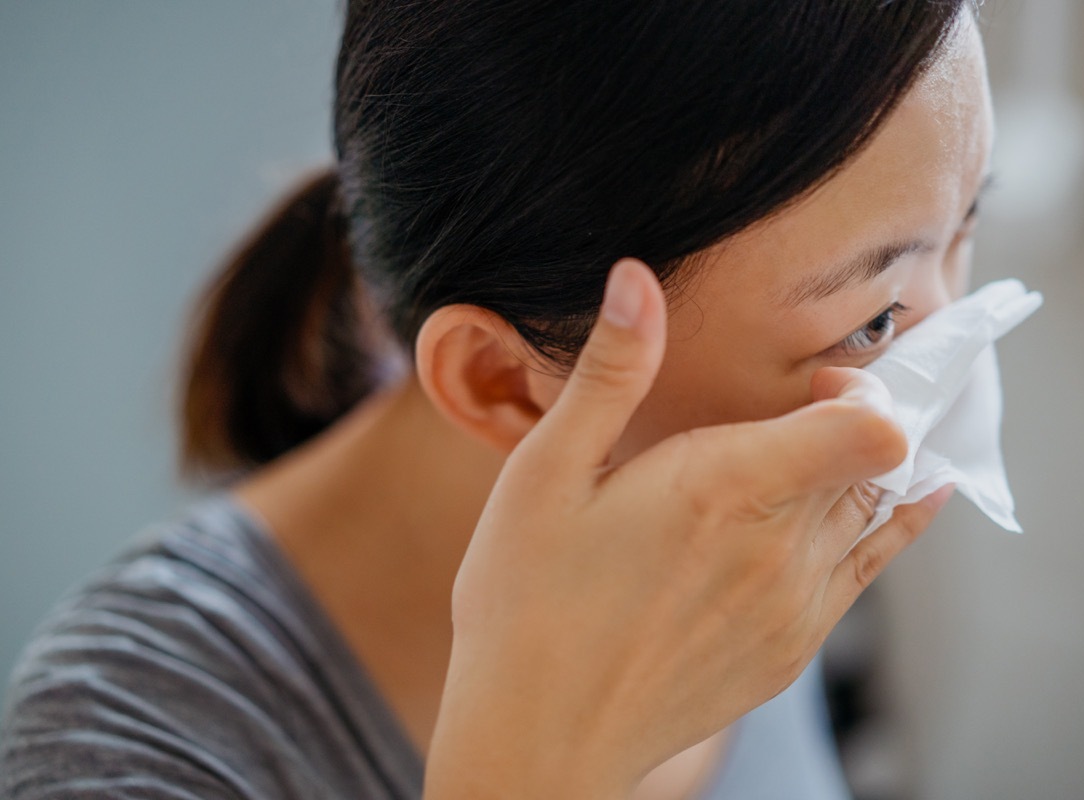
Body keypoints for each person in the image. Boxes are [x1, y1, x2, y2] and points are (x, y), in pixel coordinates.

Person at [0, 1, 992, 797]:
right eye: (874, 318)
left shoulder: (750, 533)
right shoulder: (125, 746)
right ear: (501, 379)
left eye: (969, 223)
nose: (945, 360)